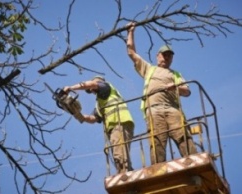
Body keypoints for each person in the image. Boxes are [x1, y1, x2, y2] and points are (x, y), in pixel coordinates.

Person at [126, 22, 197, 164]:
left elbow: (187, 91)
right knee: (157, 141)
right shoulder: (149, 69)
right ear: (157, 56)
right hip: (154, 110)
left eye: (169, 56)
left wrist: (175, 87)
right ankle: (158, 168)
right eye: (164, 55)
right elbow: (131, 53)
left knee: (183, 137)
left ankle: (193, 162)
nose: (166, 58)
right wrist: (130, 32)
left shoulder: (175, 74)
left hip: (173, 110)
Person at [63, 76, 135, 173]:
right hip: (116, 126)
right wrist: (77, 114)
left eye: (92, 86)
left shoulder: (105, 86)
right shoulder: (100, 103)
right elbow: (93, 119)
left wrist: (71, 88)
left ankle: (124, 175)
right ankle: (126, 172)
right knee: (119, 153)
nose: (91, 90)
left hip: (119, 122)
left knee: (120, 155)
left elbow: (92, 84)